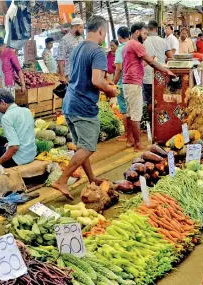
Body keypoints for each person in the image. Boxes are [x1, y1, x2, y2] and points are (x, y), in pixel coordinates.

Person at [51, 15, 119, 200]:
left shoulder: (78, 47)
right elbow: (96, 80)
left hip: (70, 102)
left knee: (82, 146)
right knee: (88, 147)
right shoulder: (97, 51)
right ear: (101, 31)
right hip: (83, 105)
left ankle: (91, 178)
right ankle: (62, 180)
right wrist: (110, 90)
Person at [122, 22, 174, 151]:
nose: (146, 37)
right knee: (136, 115)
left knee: (129, 113)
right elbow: (150, 62)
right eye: (144, 34)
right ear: (137, 32)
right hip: (134, 83)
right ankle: (138, 144)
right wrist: (166, 71)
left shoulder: (127, 45)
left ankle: (130, 140)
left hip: (127, 82)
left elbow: (140, 63)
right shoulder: (137, 44)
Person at [0, 88, 37, 168]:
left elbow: (14, 147)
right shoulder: (26, 110)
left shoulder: (6, 117)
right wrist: (9, 144)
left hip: (18, 160)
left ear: (3, 102)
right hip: (31, 154)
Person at [143, 20, 172, 120]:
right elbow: (170, 57)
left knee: (149, 102)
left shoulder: (144, 41)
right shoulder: (163, 41)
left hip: (147, 76)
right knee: (161, 100)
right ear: (156, 28)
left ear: (148, 28)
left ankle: (152, 124)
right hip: (161, 74)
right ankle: (161, 124)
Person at [114, 26, 131, 144]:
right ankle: (134, 134)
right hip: (134, 82)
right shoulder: (133, 46)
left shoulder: (120, 49)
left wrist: (113, 83)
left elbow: (119, 68)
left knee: (125, 111)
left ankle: (127, 135)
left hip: (123, 82)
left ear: (119, 37)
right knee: (132, 110)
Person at [57, 17, 84, 83]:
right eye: (81, 27)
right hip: (70, 74)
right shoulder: (65, 40)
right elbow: (60, 59)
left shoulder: (81, 38)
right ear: (75, 27)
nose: (82, 30)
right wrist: (62, 76)